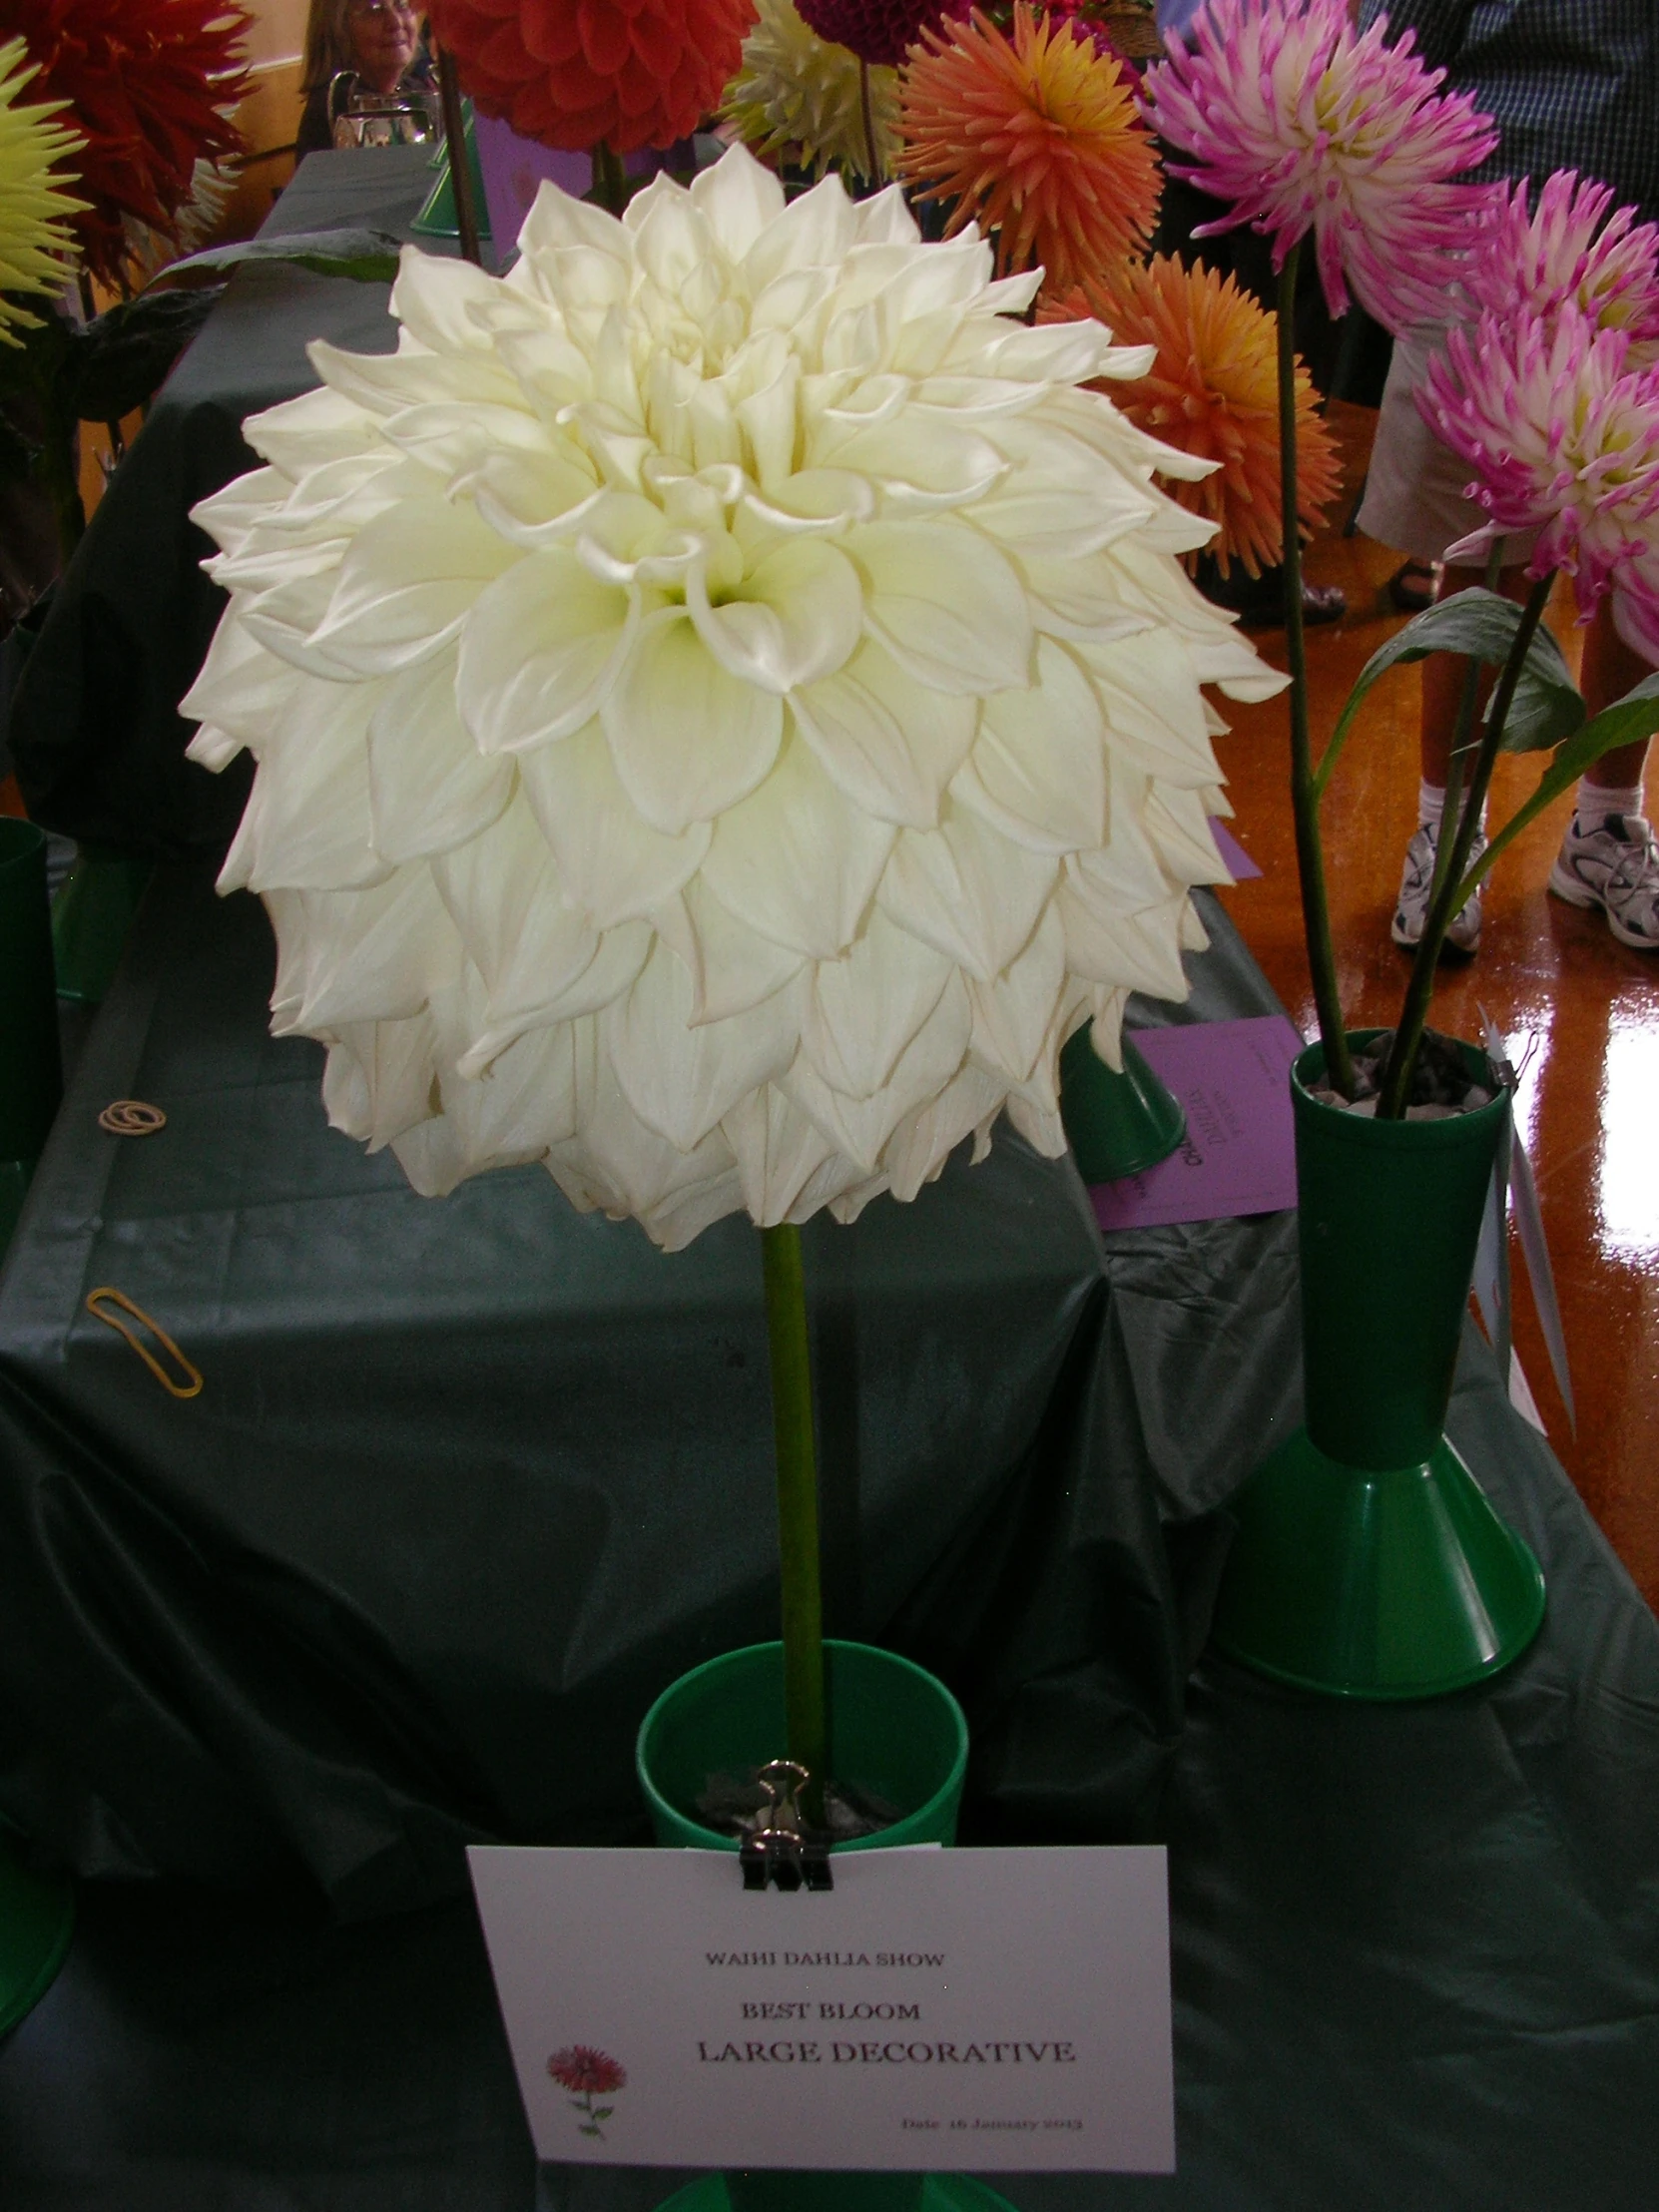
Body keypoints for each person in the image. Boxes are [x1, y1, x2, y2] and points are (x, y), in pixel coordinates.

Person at [1356, 0, 1659, 954]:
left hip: (1646, 251)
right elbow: (1399, 56)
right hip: (1494, 250)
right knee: (1476, 557)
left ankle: (1606, 822)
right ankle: (1446, 824)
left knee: (1641, 554)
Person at [296, 0, 434, 159]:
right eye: (374, 9)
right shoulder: (338, 106)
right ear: (338, 27)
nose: (395, 22)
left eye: (402, 4)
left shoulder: (417, 87)